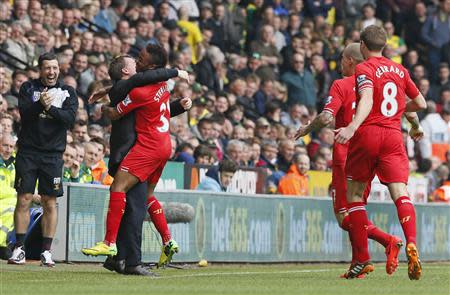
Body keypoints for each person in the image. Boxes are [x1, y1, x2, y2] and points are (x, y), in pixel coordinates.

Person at [296, 43, 425, 278]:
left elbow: (326, 117)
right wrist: (416, 126)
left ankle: (381, 246)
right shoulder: (387, 75)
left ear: (350, 61)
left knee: (346, 215)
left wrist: (307, 128)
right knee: (368, 206)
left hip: (351, 151)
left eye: (343, 58)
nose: (340, 63)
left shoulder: (342, 84)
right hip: (386, 142)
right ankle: (364, 259)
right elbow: (408, 108)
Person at [81, 45, 189, 274]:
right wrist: (176, 79)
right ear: (126, 73)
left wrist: (104, 108)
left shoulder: (139, 89)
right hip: (155, 148)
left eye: (140, 59)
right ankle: (134, 254)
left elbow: (118, 112)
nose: (137, 62)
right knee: (138, 205)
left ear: (149, 66)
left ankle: (120, 253)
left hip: (144, 149)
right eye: (134, 61)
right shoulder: (158, 85)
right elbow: (153, 95)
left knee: (130, 203)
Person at [334, 26, 427, 279]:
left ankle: (362, 259)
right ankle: (411, 241)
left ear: (363, 45)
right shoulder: (399, 70)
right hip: (394, 135)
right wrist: (414, 125)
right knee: (401, 193)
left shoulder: (364, 68)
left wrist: (353, 126)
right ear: (384, 45)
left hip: (368, 134)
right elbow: (421, 104)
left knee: (354, 195)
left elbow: (365, 99)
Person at [9, 52, 78, 267]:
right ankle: (19, 248)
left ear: (59, 69)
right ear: (40, 69)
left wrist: (50, 107)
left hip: (53, 155)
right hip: (28, 152)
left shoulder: (68, 92)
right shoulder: (28, 88)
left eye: (55, 68)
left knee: (50, 201)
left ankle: (46, 251)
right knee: (24, 198)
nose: (51, 72)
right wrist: (41, 104)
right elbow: (25, 113)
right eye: (47, 68)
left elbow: (69, 120)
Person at [0, 134, 16, 260]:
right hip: (5, 203)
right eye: (5, 145)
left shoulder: (13, 166)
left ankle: (3, 245)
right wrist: (17, 193)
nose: (8, 149)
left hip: (6, 205)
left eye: (11, 147)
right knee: (13, 206)